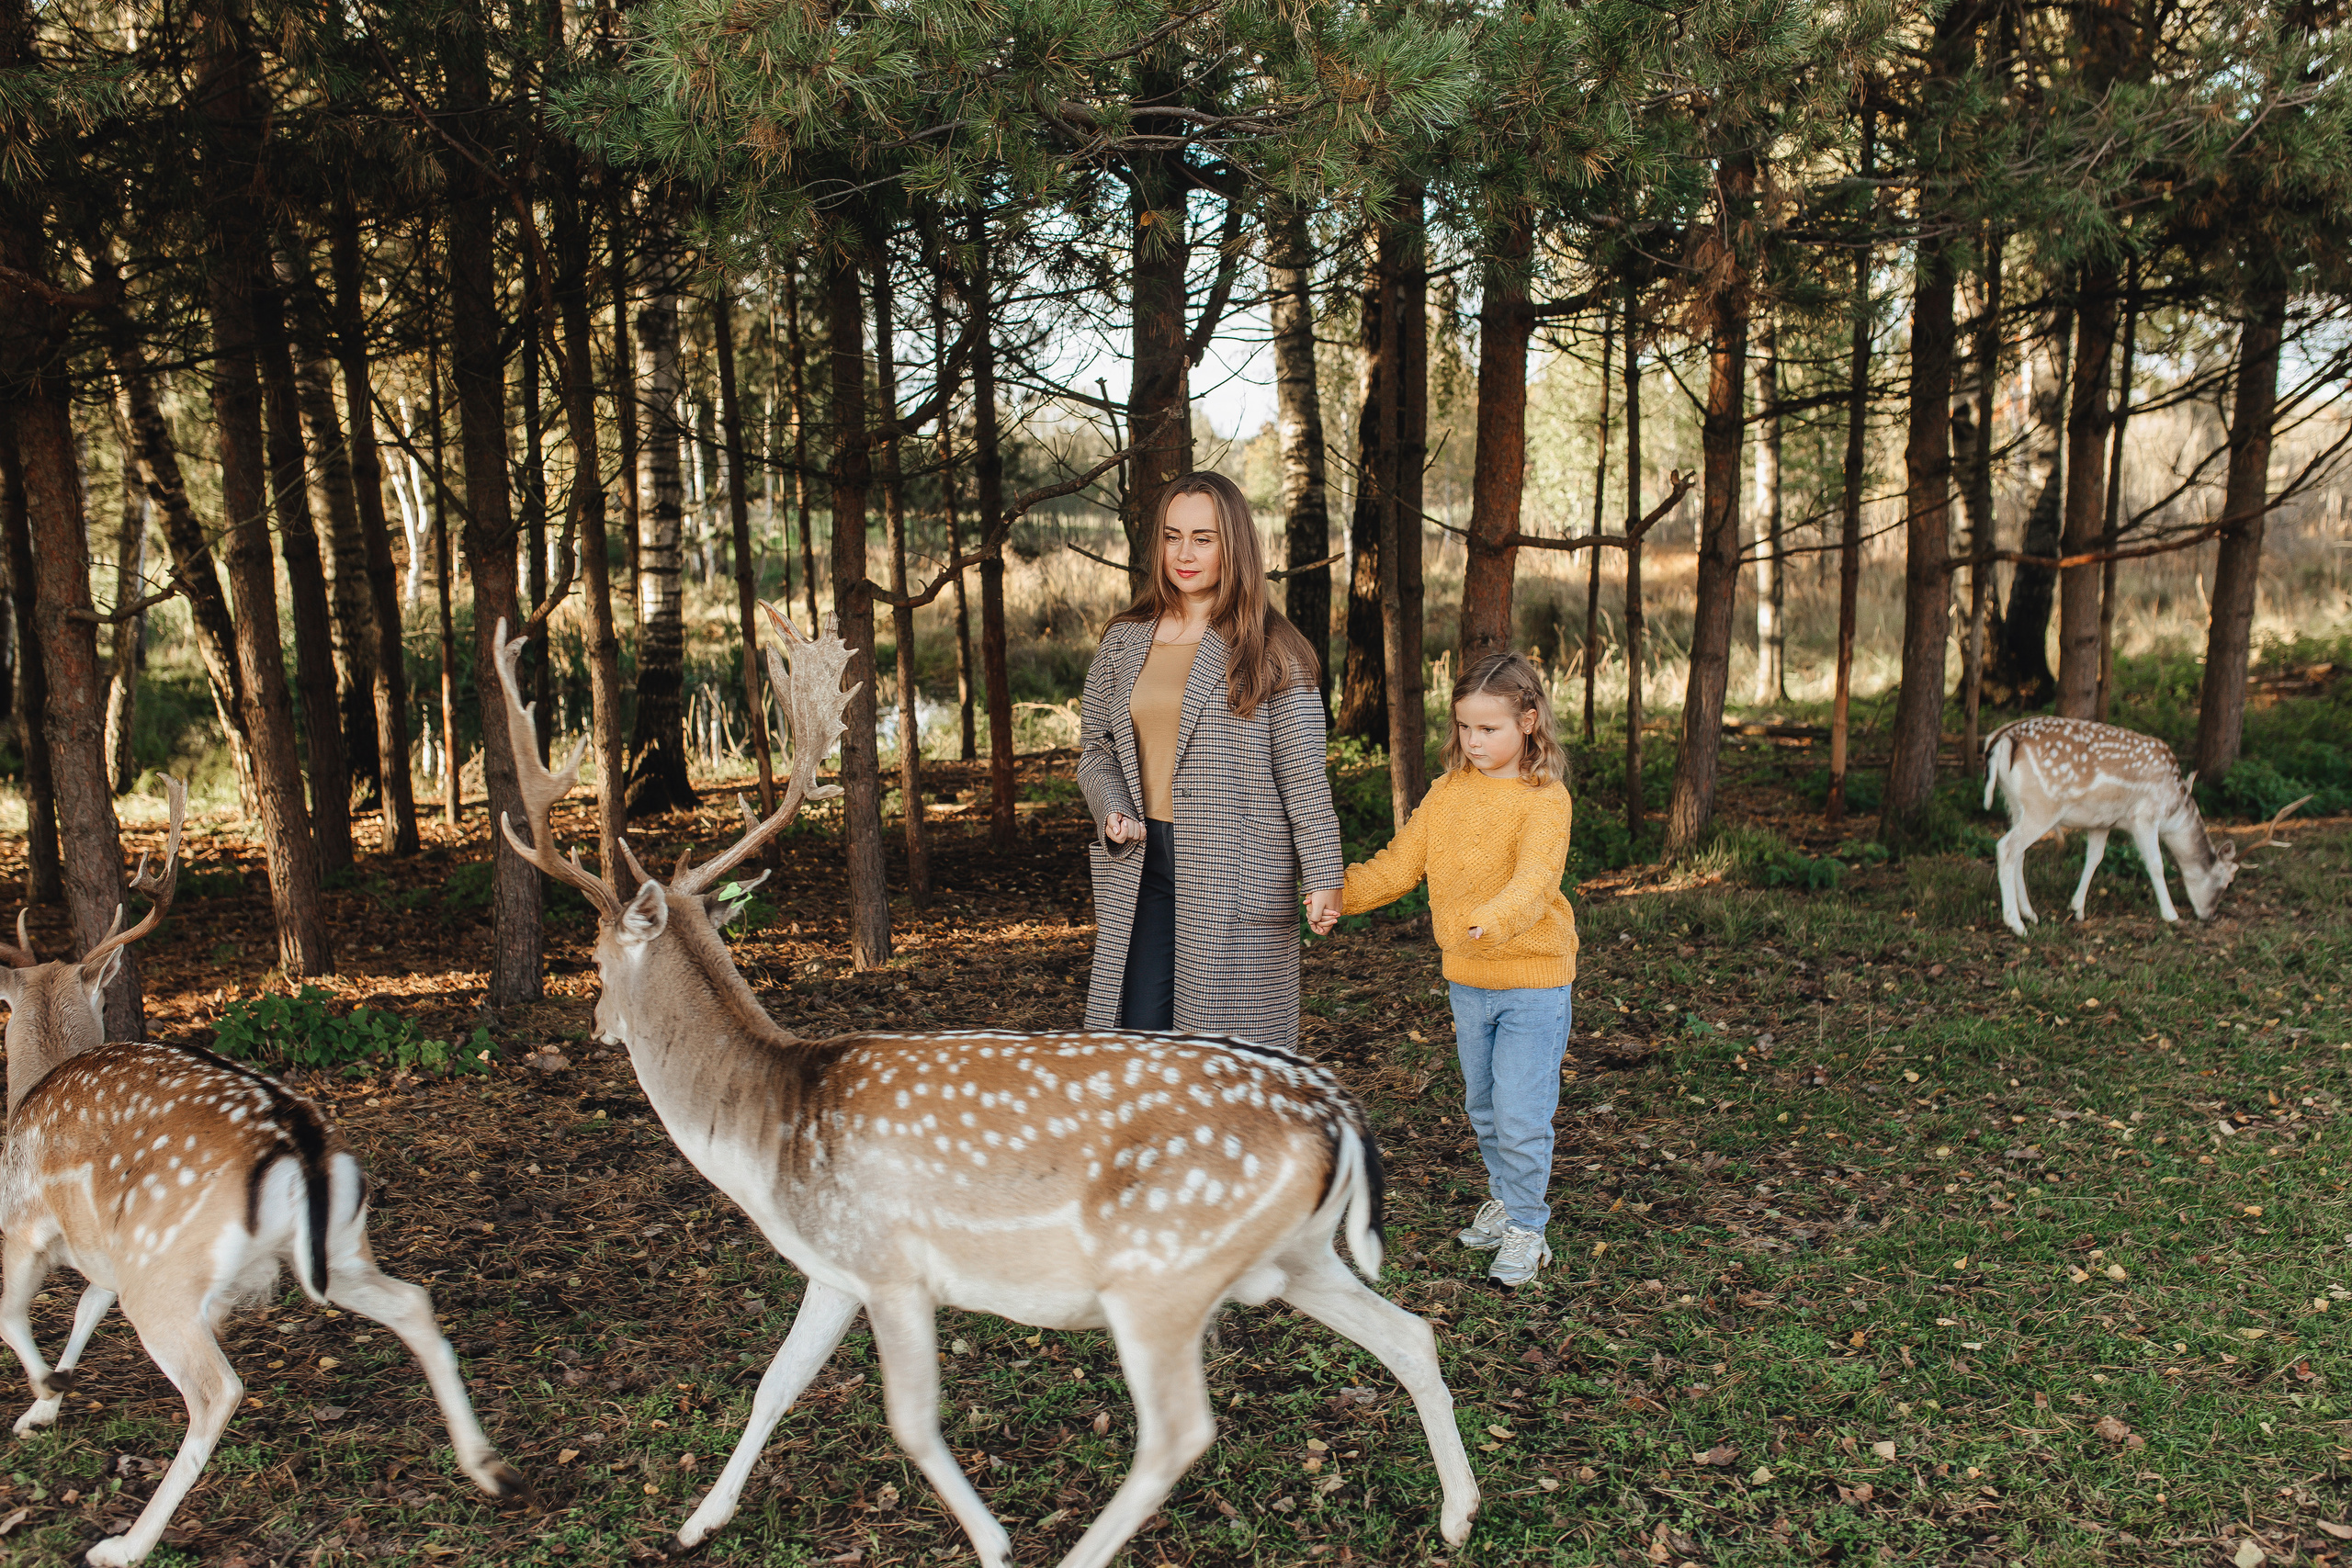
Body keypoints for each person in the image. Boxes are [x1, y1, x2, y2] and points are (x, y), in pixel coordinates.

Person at [1329, 651, 1577, 1286]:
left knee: (1522, 1110)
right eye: (1465, 727)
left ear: (1528, 720)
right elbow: (1398, 864)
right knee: (1486, 1105)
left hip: (1533, 979)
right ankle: (1506, 1197)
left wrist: (1490, 918)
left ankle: (1528, 1226)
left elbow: (1536, 881)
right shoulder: (1448, 793)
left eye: (1488, 728)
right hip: (1468, 979)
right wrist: (1341, 894)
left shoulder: (1545, 800)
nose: (1473, 741)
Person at [1076, 471, 1343, 1053]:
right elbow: (1096, 752)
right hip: (1142, 858)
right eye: (1173, 536)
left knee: (1230, 1056)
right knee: (1134, 1036)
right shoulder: (1124, 640)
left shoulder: (1273, 649)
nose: (1185, 554)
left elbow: (1303, 778)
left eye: (1204, 537)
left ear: (1234, 545)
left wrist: (1324, 876)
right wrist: (1113, 811)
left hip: (1235, 868)